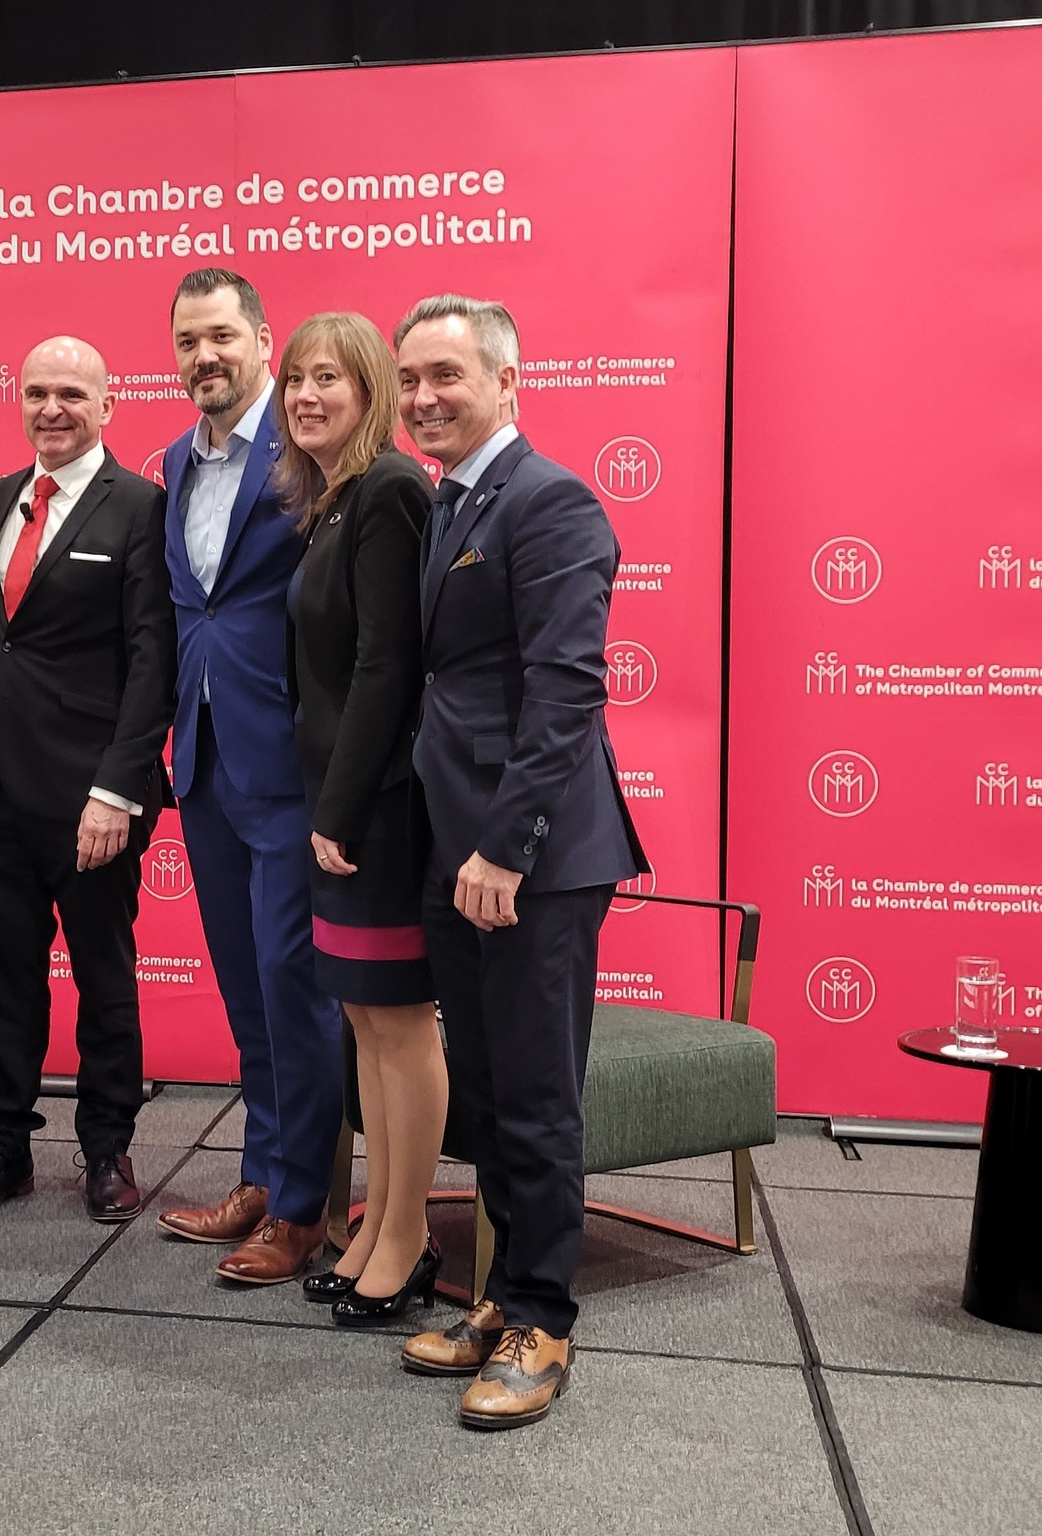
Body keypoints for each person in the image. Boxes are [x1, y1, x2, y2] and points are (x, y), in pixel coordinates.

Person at [393, 295, 647, 1429]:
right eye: (409, 379)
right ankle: (503, 1295)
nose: (422, 397)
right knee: (489, 1092)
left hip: (526, 856)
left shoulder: (551, 502)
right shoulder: (452, 500)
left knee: (537, 1095)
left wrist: (504, 847)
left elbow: (566, 691)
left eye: (445, 375)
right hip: (456, 847)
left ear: (506, 381)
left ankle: (544, 1319)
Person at [0, 335, 175, 1223]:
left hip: (92, 800)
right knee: (5, 985)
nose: (52, 408)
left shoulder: (141, 506)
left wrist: (118, 790)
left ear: (108, 405)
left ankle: (107, 1149)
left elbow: (152, 660)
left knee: (105, 981)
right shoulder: (2, 496)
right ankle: (5, 1147)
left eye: (72, 393)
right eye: (38, 391)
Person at [149, 269, 343, 1285]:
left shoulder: (310, 444)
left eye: (221, 335)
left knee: (293, 985)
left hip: (293, 761)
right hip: (206, 759)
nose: (204, 356)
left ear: (264, 339)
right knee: (245, 988)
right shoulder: (176, 459)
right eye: (188, 341)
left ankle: (307, 1207)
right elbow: (198, 609)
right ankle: (263, 1175)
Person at [271, 313, 445, 1326]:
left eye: (327, 377)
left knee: (398, 1020)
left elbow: (389, 663)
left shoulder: (388, 489)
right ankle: (379, 1220)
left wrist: (337, 807)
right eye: (295, 377)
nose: (305, 395)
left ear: (370, 389)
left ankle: (408, 1233)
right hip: (336, 800)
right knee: (363, 1021)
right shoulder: (331, 500)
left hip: (377, 805)